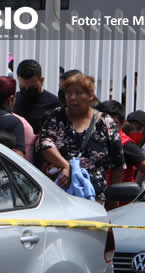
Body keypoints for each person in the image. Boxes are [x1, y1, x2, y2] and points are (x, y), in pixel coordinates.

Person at [37, 72, 124, 200]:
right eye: (69, 93)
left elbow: (118, 163)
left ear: (90, 95)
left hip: (94, 195)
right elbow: (44, 143)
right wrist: (66, 165)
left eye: (78, 93)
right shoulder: (56, 117)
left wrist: (113, 199)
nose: (72, 98)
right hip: (60, 194)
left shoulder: (106, 122)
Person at [97, 101, 145, 193]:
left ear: (122, 124)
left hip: (118, 201)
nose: (107, 127)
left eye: (113, 123)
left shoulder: (126, 144)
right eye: (103, 122)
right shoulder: (89, 139)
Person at [13, 59, 61, 134]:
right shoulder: (14, 100)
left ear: (41, 81)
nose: (27, 91)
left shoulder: (54, 104)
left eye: (32, 88)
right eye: (23, 88)